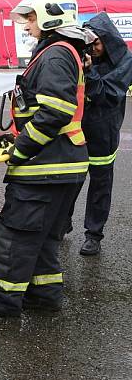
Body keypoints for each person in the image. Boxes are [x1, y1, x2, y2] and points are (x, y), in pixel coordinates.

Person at [0, 0, 92, 318]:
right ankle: (45, 294)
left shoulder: (55, 55)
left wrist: (21, 150)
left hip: (44, 168)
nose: (26, 25)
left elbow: (55, 112)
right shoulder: (63, 51)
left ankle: (2, 301)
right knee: (44, 237)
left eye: (32, 17)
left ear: (51, 16)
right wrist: (16, 135)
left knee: (15, 236)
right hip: (63, 165)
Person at [65, 13, 132, 256]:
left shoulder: (125, 61)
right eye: (89, 44)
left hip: (104, 130)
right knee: (70, 178)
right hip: (77, 127)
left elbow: (108, 95)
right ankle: (63, 222)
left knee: (100, 184)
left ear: (108, 40)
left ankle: (93, 234)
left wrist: (89, 73)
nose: (92, 49)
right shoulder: (82, 57)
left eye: (97, 44)